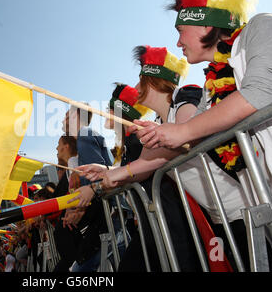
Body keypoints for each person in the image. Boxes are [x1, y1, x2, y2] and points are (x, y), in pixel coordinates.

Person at [130, 0, 272, 270]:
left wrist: (181, 130)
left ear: (205, 24)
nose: (177, 41)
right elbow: (197, 133)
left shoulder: (264, 26)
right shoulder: (214, 83)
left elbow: (263, 91)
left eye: (181, 30)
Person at [78, 46, 241, 271]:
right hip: (219, 215)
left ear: (153, 81)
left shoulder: (186, 96)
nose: (135, 88)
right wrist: (107, 171)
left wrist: (119, 172)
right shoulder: (157, 121)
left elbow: (184, 134)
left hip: (240, 206)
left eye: (140, 80)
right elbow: (144, 164)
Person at [53, 105, 113, 272]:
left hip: (108, 214)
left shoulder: (85, 135)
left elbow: (98, 177)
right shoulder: (83, 139)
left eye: (66, 116)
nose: (63, 121)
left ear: (76, 116)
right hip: (103, 213)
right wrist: (79, 210)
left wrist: (80, 209)